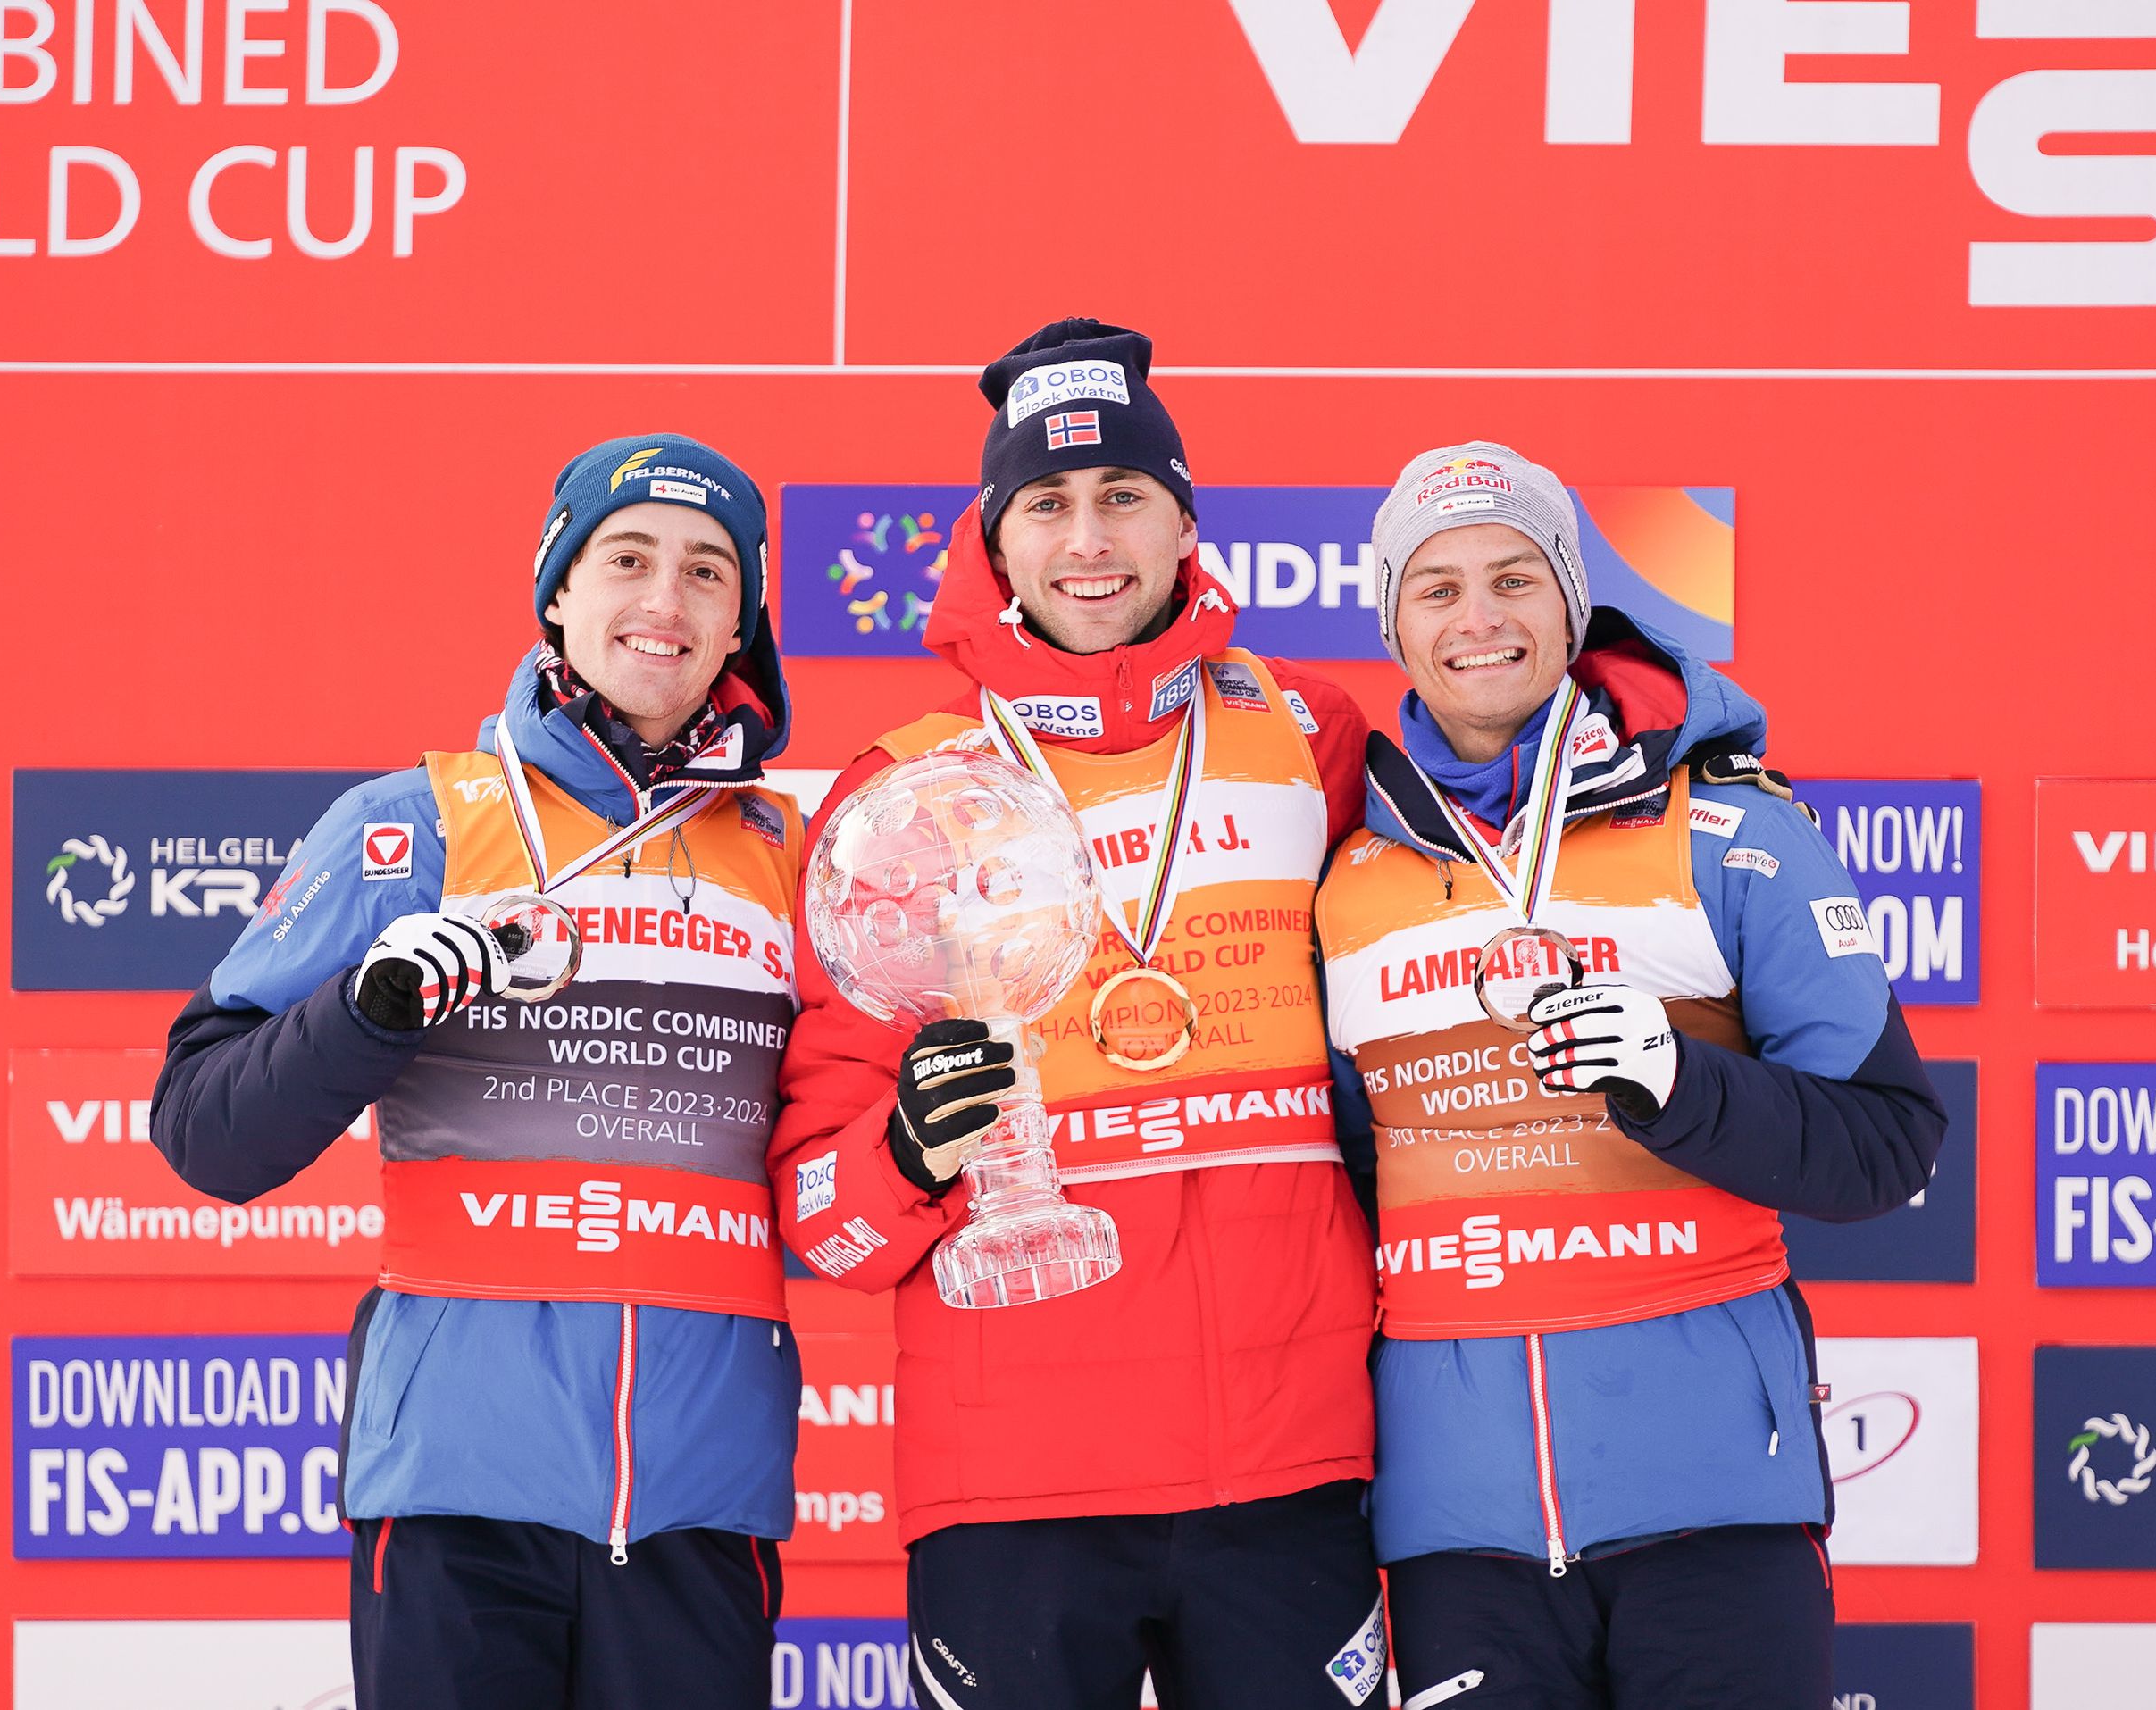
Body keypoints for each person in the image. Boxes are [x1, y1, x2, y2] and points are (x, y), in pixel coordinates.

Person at [772, 320, 1386, 1709]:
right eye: (1045, 505)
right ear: (996, 543)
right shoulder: (905, 796)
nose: (1088, 536)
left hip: (1287, 1454)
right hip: (1018, 1477)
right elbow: (826, 1217)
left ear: (1184, 522)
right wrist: (911, 1155)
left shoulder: (1309, 733)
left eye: (1123, 495)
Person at [150, 434, 805, 1709]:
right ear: (558, 590)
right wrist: (369, 1006)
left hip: (700, 1503)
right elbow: (206, 1132)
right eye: (626, 559)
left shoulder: (795, 850)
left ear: (744, 624)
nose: (663, 602)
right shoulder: (419, 822)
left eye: (707, 572)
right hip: (455, 1496)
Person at [1314, 443, 1946, 1709]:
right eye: (1434, 590)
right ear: (1393, 622)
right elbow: (1347, 1182)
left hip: (1715, 1503)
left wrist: (1677, 1074)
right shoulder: (1347, 881)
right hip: (1457, 1529)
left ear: (1571, 599)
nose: (1479, 619)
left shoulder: (1728, 828)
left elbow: (1888, 1144)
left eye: (1514, 579)